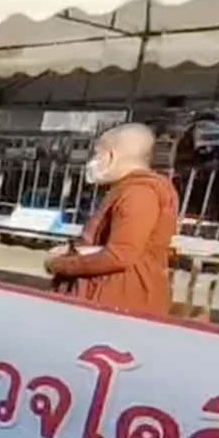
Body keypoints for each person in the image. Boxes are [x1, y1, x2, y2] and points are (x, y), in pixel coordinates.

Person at [46, 123, 178, 316]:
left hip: (120, 301)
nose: (92, 161)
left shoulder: (139, 193)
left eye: (96, 154)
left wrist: (58, 264)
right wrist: (71, 251)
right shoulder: (126, 189)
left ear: (111, 156)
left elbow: (120, 255)